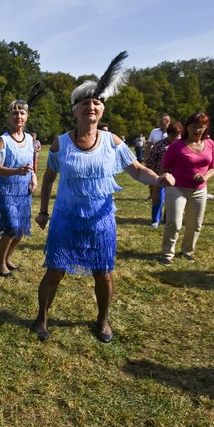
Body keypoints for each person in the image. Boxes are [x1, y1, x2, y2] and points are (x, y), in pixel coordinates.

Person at [33, 52, 174, 343]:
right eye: (85, 102)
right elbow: (48, 178)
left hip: (101, 220)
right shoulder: (61, 142)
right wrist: (44, 211)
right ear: (75, 109)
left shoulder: (112, 141)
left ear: (102, 109)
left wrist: (157, 179)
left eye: (96, 102)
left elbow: (136, 169)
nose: (91, 107)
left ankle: (103, 319)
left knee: (104, 273)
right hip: (66, 219)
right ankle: (42, 316)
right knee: (54, 271)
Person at [158, 113, 214, 265]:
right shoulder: (176, 146)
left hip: (199, 190)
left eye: (200, 127)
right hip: (177, 188)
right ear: (187, 127)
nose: (196, 130)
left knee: (195, 224)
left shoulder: (210, 144)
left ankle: (187, 251)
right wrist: (166, 177)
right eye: (193, 126)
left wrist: (205, 177)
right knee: (174, 223)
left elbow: (213, 168)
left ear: (205, 128)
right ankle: (167, 254)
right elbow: (164, 169)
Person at [0, 99, 37, 276]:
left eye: (22, 113)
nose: (18, 116)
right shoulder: (2, 140)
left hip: (24, 190)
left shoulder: (29, 139)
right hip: (7, 191)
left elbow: (31, 164)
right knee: (11, 227)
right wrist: (15, 171)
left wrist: (33, 176)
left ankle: (8, 258)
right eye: (15, 113)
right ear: (9, 117)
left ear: (26, 117)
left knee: (21, 229)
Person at [145, 121, 182, 228]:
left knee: (171, 200)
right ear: (169, 134)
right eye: (175, 135)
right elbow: (151, 161)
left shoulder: (181, 146)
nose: (177, 137)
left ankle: (167, 219)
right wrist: (151, 176)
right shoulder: (159, 145)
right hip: (160, 176)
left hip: (175, 178)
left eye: (179, 135)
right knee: (158, 198)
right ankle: (155, 220)